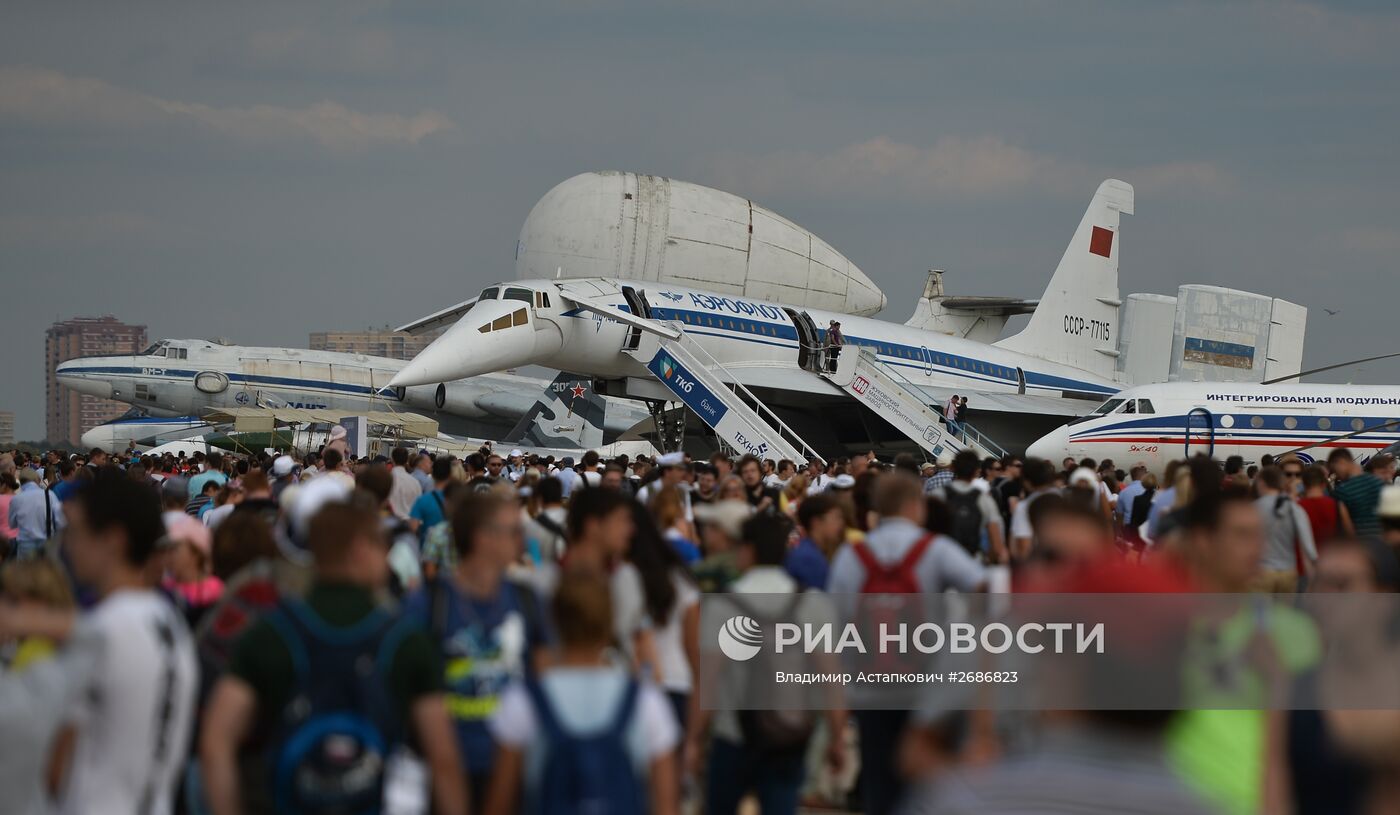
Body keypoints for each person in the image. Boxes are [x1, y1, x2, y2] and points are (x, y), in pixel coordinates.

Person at [202, 497, 466, 815]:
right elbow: (444, 757)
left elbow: (216, 739)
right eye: (382, 547)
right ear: (360, 550)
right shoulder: (406, 639)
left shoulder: (270, 632)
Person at [827, 473, 986, 815]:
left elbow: (835, 639)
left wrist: (836, 723)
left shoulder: (850, 556)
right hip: (926, 688)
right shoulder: (936, 549)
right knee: (930, 789)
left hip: (871, 689)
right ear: (916, 506)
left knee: (879, 789)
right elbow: (986, 590)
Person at [52, 474, 199, 815]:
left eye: (78, 532)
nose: (68, 544)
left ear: (113, 540)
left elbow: (57, 764)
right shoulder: (169, 622)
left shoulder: (100, 632)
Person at [486, 571, 679, 815]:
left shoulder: (521, 701)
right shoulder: (648, 703)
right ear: (609, 624)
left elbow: (500, 803)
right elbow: (665, 806)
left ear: (553, 621)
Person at [690, 513, 846, 815]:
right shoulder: (812, 603)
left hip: (731, 734)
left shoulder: (722, 605)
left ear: (747, 549)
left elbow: (706, 681)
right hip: (787, 734)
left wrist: (694, 740)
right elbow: (832, 679)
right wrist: (837, 737)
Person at [405, 491, 550, 812]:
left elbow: (541, 685)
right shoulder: (428, 605)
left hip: (512, 766)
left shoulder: (528, 601)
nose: (521, 540)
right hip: (445, 765)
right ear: (483, 537)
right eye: (513, 531)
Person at [927, 450, 1006, 562]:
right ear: (976, 471)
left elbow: (928, 529)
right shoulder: (984, 498)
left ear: (953, 468)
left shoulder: (938, 495)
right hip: (973, 558)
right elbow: (995, 535)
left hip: (944, 558)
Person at [1252, 465, 1317, 592]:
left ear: (1262, 483)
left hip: (1260, 572)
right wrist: (1312, 579)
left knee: (1259, 612)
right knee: (1284, 612)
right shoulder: (1295, 509)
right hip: (1288, 573)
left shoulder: (1253, 509)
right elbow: (1308, 548)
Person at [787, 492, 843, 590]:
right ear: (816, 523)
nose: (841, 523)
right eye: (835, 518)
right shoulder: (808, 559)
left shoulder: (810, 552)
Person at [7, 467, 63, 559]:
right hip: (47, 542)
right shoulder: (50, 495)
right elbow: (60, 521)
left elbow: (12, 524)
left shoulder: (16, 499)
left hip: (25, 544)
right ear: (37, 480)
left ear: (21, 481)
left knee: (26, 572)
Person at [1330, 448, 1385, 538]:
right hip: (1382, 542)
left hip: (1359, 543)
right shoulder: (1378, 483)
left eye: (1335, 470)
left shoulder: (1342, 491)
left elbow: (1347, 526)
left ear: (1341, 462)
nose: (1336, 475)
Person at [1296, 463, 1353, 547]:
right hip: (1330, 554)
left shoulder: (1297, 506)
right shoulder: (1337, 505)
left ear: (1304, 484)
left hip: (1304, 555)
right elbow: (1350, 534)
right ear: (1324, 485)